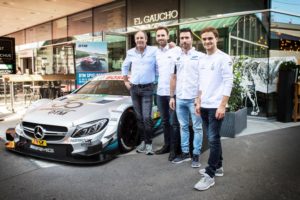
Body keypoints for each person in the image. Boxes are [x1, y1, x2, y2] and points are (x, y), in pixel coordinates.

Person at [194, 27, 233, 191]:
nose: (207, 41)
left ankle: (210, 174)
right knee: (214, 138)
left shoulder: (224, 58)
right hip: (204, 106)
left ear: (216, 39)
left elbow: (228, 82)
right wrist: (197, 101)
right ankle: (219, 167)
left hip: (216, 107)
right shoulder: (202, 59)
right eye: (204, 39)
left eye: (210, 38)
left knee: (213, 139)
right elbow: (201, 83)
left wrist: (222, 105)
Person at [169, 28, 204, 168]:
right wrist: (172, 97)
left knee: (197, 127)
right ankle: (185, 153)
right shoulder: (176, 57)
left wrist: (199, 98)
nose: (184, 40)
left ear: (192, 39)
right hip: (180, 99)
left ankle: (196, 155)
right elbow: (173, 78)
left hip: (194, 99)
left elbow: (203, 79)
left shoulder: (200, 56)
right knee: (183, 126)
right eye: (182, 38)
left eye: (186, 37)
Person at [121, 30, 157, 155]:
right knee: (139, 117)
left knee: (147, 117)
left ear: (146, 39)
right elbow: (124, 66)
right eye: (137, 38)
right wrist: (126, 81)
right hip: (134, 88)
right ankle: (143, 141)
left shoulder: (154, 50)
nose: (140, 40)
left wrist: (155, 80)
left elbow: (160, 64)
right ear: (135, 40)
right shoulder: (130, 52)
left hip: (148, 88)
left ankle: (149, 144)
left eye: (142, 37)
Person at [154, 26, 181, 161]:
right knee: (164, 121)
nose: (160, 38)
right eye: (158, 36)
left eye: (162, 35)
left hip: (173, 93)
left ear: (167, 36)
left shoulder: (176, 50)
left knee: (174, 122)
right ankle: (167, 145)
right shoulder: (155, 52)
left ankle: (174, 149)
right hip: (160, 92)